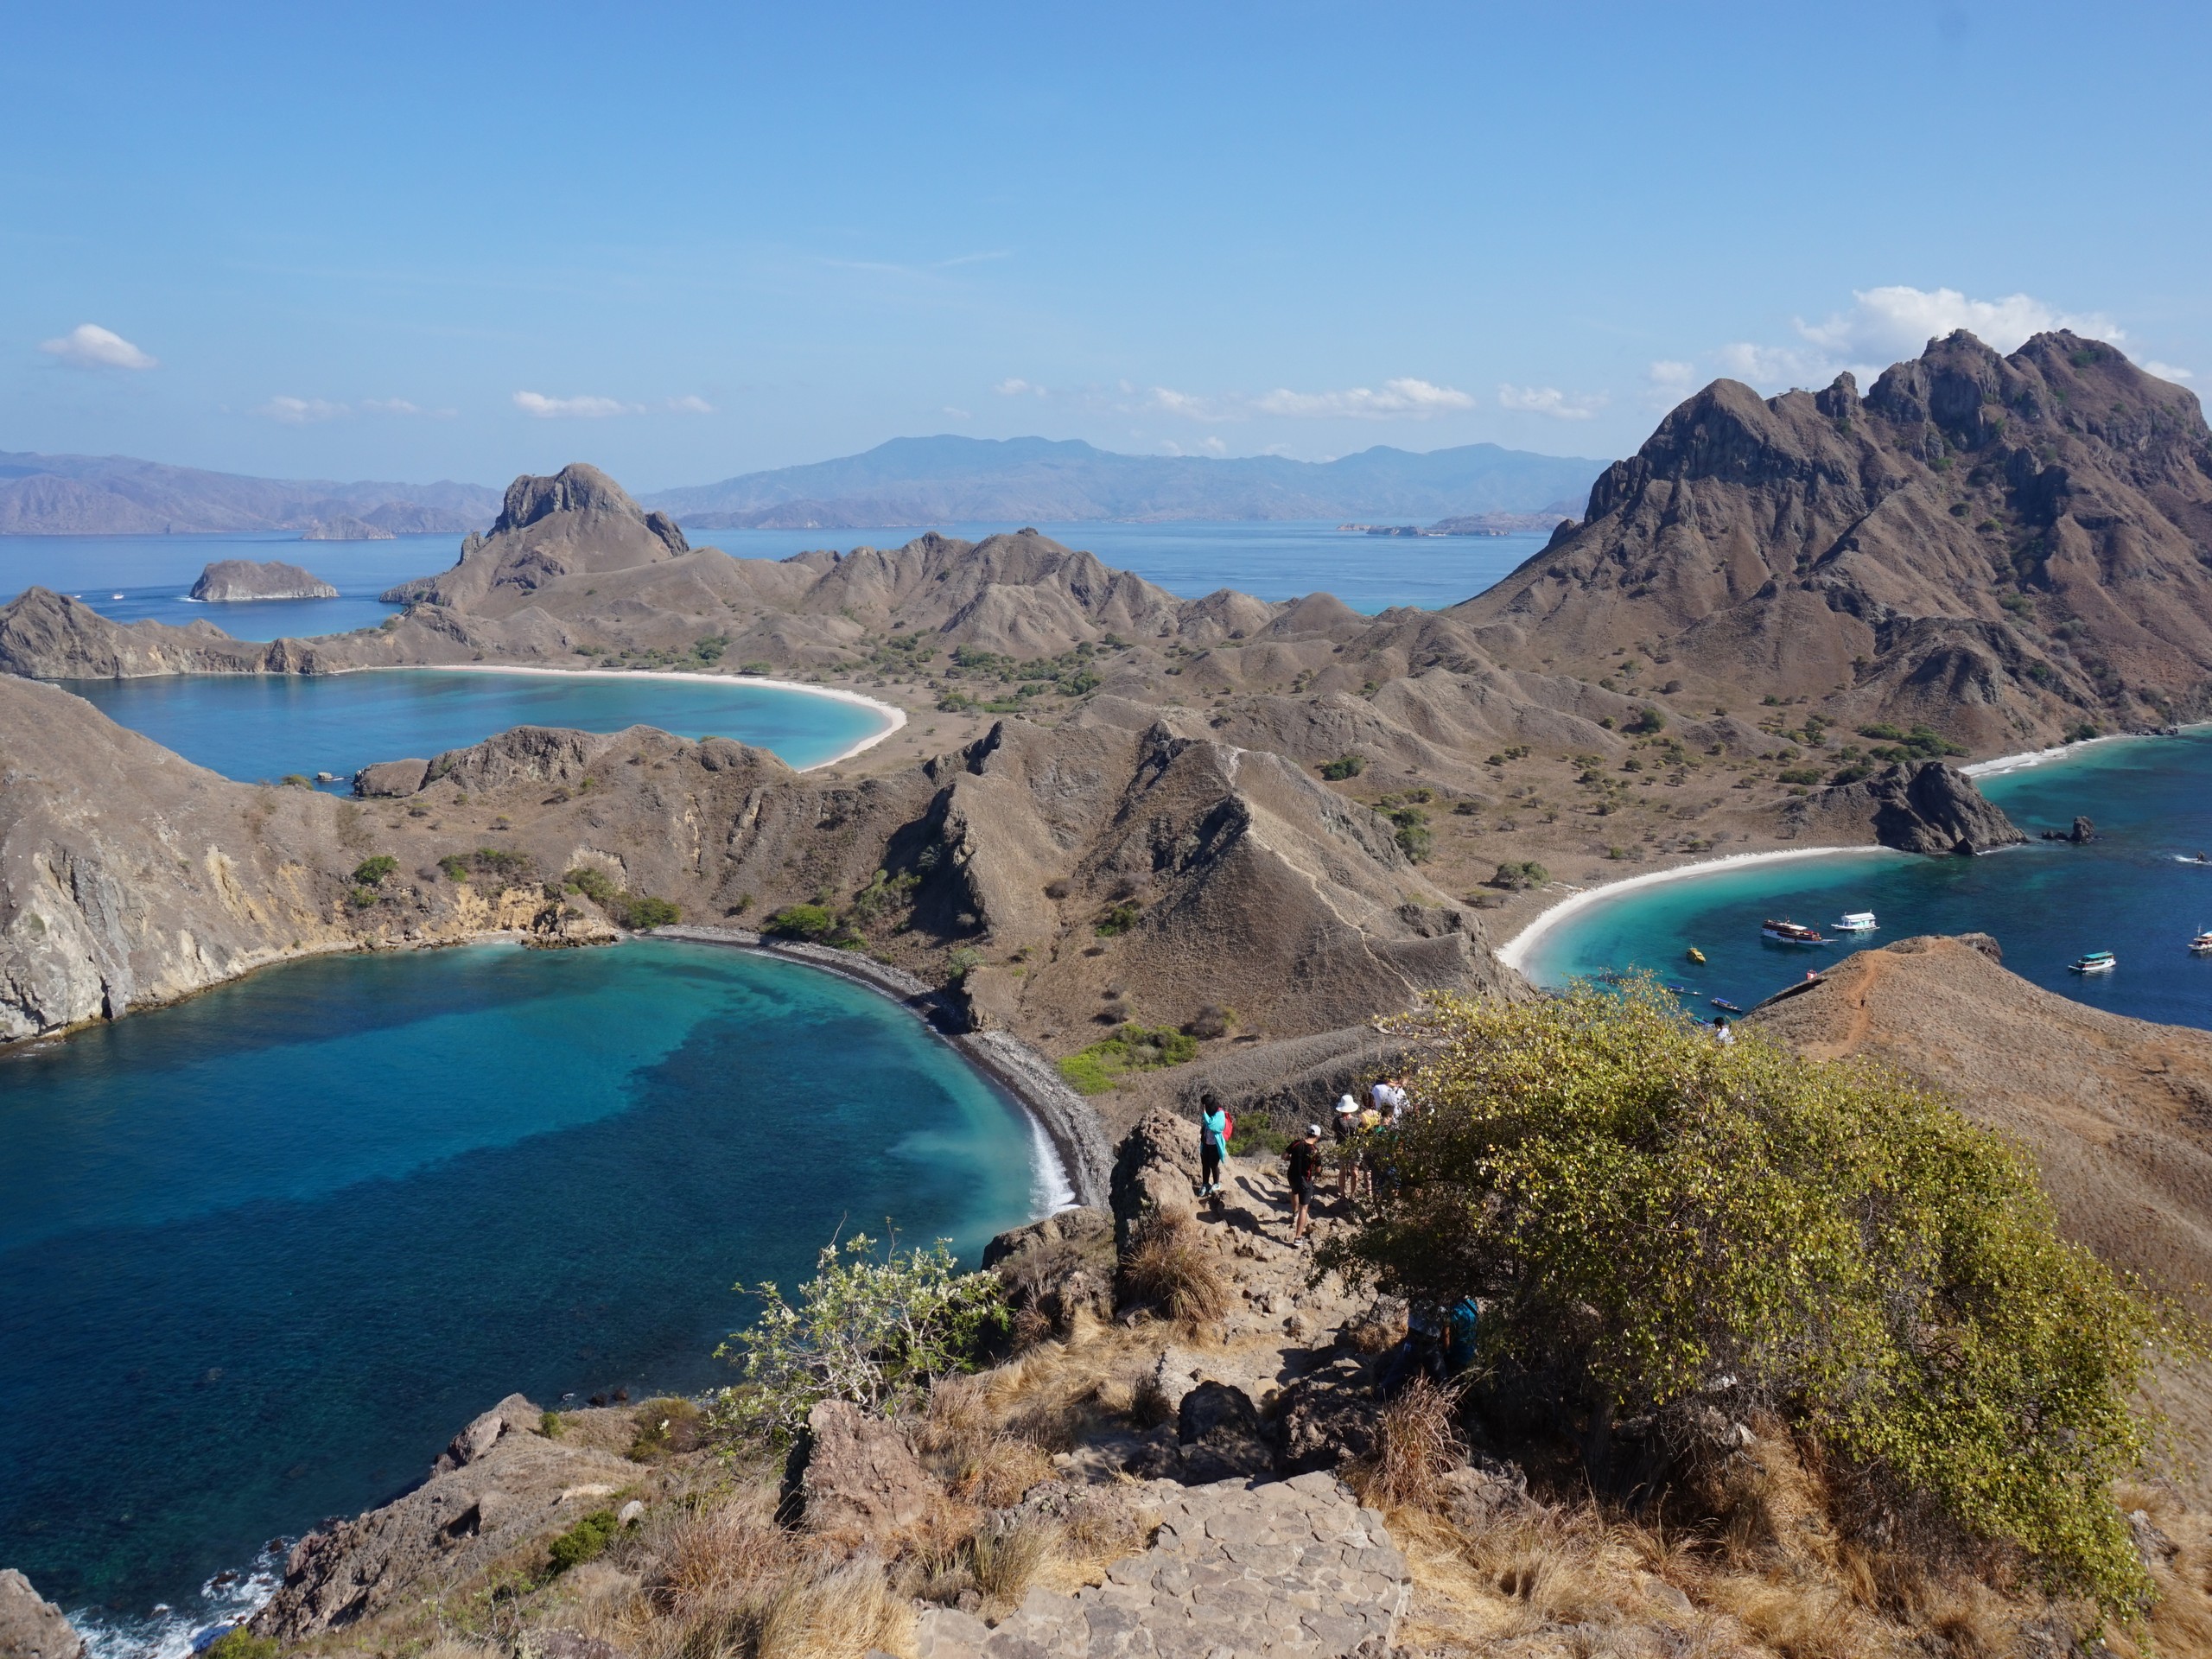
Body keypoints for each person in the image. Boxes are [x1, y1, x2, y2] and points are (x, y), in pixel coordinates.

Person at [1286, 1124, 1322, 1239]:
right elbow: (1318, 1169)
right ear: (1317, 1137)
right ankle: (1298, 1237)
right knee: (1304, 1207)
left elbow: (1284, 1156)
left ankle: (1294, 1212)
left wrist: (1292, 1159)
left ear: (1307, 1133)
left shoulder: (1296, 1143)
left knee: (1294, 1191)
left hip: (1292, 1175)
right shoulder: (1315, 1151)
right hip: (1305, 1179)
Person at [1198, 1092, 1230, 1198]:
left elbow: (1213, 1125)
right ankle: (1205, 1184)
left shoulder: (1220, 1114)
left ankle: (1216, 1184)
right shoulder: (1210, 1113)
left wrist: (1204, 1113)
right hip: (1206, 1143)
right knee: (1205, 1165)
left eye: (1204, 1105)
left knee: (1213, 1165)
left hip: (1215, 1145)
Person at [1331, 1094, 1361, 1198]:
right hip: (1343, 1148)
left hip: (1353, 1148)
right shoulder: (1337, 1120)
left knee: (1354, 1172)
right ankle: (1343, 1194)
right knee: (1343, 1171)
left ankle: (1352, 1194)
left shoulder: (1357, 1121)